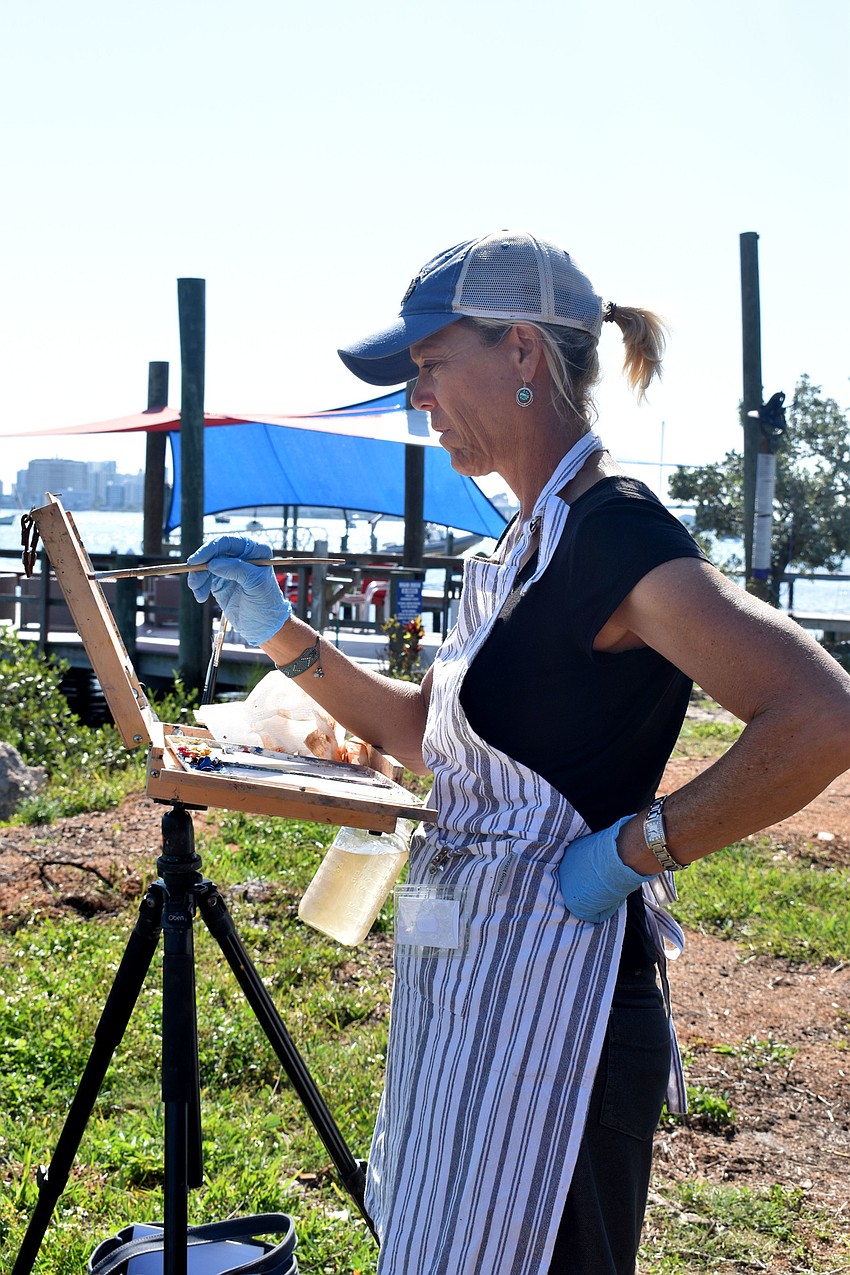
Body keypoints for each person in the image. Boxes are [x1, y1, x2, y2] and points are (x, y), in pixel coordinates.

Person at [187, 231, 850, 1275]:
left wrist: (633, 853)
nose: (419, 398)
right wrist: (279, 630)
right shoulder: (517, 549)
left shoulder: (614, 535)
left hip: (563, 1012)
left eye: (430, 366)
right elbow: (420, 737)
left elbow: (818, 715)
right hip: (470, 981)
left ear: (525, 355)